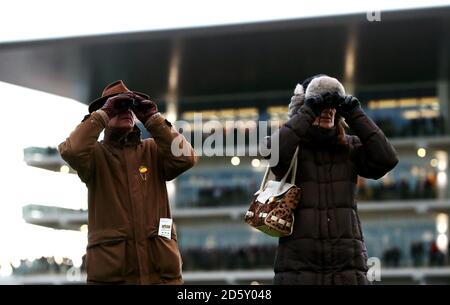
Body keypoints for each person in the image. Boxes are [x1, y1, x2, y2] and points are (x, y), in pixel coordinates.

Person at [59, 80, 197, 284]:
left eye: (129, 107)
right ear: (103, 115)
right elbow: (71, 150)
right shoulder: (95, 155)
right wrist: (102, 114)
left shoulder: (152, 150)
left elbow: (186, 157)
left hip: (161, 278)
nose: (125, 111)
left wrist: (153, 118)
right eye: (117, 107)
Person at [269, 75, 398, 285]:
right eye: (320, 104)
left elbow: (387, 159)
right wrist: (308, 111)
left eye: (332, 106)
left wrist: (356, 113)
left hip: (347, 269)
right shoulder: (292, 147)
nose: (328, 110)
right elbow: (273, 152)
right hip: (297, 270)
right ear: (304, 106)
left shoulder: (349, 146)